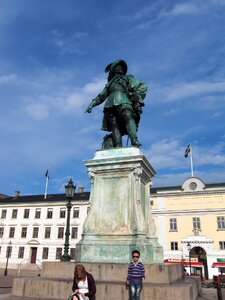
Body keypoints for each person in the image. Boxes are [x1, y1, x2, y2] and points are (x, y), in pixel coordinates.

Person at [85, 59, 147, 148]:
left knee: (128, 116)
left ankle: (134, 140)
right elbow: (101, 96)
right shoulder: (109, 84)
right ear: (113, 70)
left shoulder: (128, 78)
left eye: (121, 67)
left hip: (124, 100)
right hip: (110, 105)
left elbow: (143, 85)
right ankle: (118, 145)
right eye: (117, 67)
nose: (120, 68)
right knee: (114, 125)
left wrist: (135, 94)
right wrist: (91, 105)